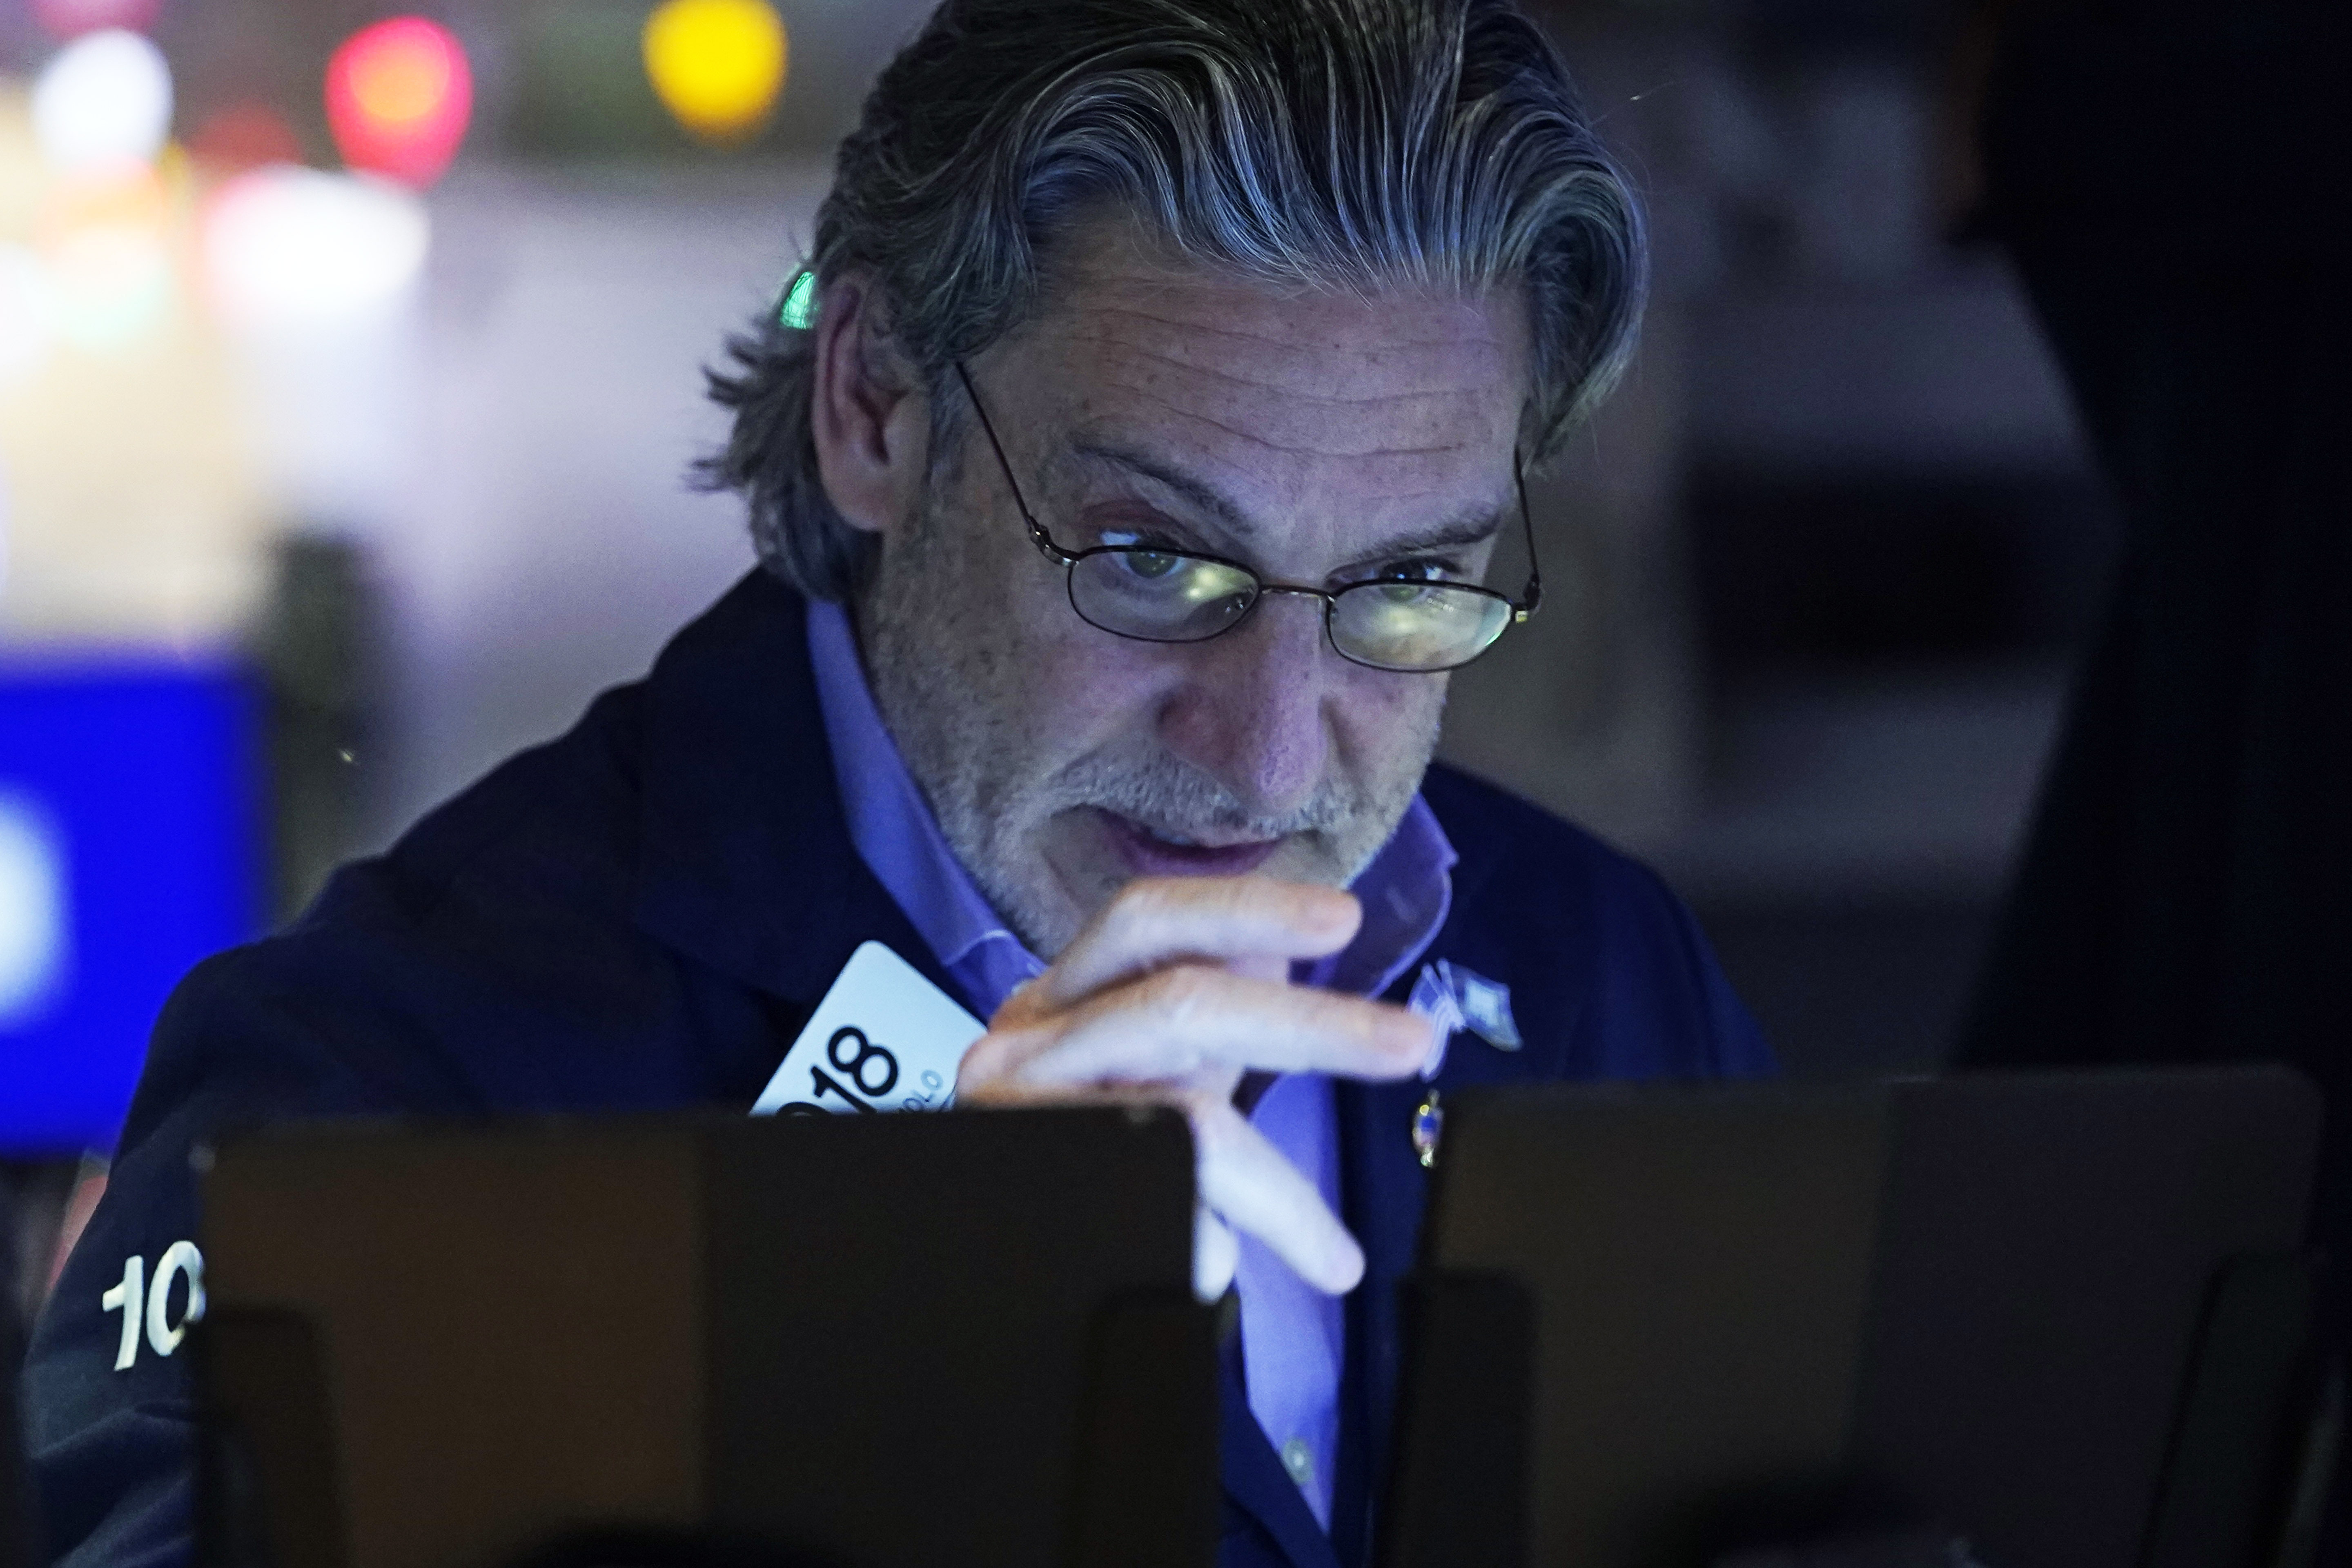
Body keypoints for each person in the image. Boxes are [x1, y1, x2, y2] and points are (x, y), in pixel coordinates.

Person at [22, 0, 1769, 1564]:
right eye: (1154, 560)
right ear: (873, 408)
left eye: (1406, 587)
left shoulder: (1605, 969)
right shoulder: (380, 1076)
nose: (1270, 754)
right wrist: (879, 1393)